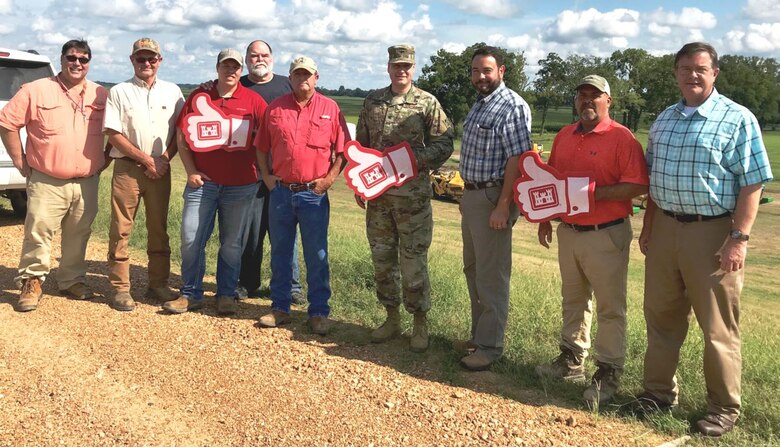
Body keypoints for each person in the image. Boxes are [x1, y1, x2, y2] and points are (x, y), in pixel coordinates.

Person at [635, 42, 773, 437]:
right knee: (661, 318)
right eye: (684, 68)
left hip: (712, 232)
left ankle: (723, 408)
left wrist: (738, 238)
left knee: (717, 327)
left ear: (714, 73)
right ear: (676, 73)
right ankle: (657, 394)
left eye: (700, 68)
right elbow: (655, 179)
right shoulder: (664, 119)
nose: (692, 75)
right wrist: (648, 227)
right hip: (665, 231)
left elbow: (752, 183)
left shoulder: (737, 119)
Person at [533, 75, 648, 407]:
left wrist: (592, 194)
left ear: (608, 101)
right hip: (569, 232)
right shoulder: (565, 136)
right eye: (581, 96)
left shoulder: (622, 138)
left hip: (606, 233)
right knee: (573, 300)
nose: (587, 101)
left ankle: (609, 371)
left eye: (594, 96)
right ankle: (571, 360)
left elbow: (637, 185)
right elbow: (551, 183)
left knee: (611, 307)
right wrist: (544, 221)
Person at [354, 44, 454, 352]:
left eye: (407, 65)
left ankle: (419, 323)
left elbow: (445, 144)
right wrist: (360, 184)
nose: (402, 70)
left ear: (414, 68)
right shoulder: (372, 101)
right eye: (397, 65)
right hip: (379, 199)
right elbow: (360, 146)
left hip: (412, 200)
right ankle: (391, 318)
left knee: (413, 263)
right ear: (388, 67)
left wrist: (414, 160)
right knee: (382, 261)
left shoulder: (427, 103)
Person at [0, 39, 108, 312]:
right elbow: (7, 122)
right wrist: (18, 159)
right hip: (47, 178)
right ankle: (32, 281)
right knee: (38, 231)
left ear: (89, 63)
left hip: (86, 181)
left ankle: (71, 279)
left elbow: (116, 128)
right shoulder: (36, 90)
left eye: (83, 59)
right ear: (61, 59)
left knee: (79, 232)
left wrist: (105, 157)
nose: (77, 63)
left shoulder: (100, 95)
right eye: (72, 58)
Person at [162, 48, 267, 316]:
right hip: (202, 184)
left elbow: (267, 139)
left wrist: (264, 172)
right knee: (190, 237)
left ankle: (226, 294)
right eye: (225, 66)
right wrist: (191, 171)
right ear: (217, 68)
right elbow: (182, 136)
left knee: (232, 243)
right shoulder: (200, 96)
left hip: (241, 185)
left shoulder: (253, 101)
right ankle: (190, 293)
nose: (230, 71)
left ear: (241, 70)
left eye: (235, 67)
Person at [255, 56, 348, 335]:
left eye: (307, 75)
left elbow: (342, 151)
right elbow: (261, 147)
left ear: (316, 78)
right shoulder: (275, 109)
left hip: (314, 195)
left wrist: (329, 180)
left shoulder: (330, 109)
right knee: (281, 253)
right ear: (290, 77)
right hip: (282, 192)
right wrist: (267, 177)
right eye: (297, 75)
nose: (302, 79)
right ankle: (280, 308)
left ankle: (319, 312)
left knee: (317, 254)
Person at [456, 46, 532, 370]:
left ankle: (490, 348)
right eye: (475, 71)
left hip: (492, 197)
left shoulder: (511, 105)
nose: (480, 77)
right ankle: (479, 337)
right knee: (474, 270)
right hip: (472, 196)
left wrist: (503, 205)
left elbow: (517, 158)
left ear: (501, 71)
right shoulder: (480, 104)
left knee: (492, 276)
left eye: (487, 71)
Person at [103, 38, 184, 312]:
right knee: (121, 227)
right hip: (128, 168)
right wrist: (147, 160)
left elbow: (180, 133)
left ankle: (158, 283)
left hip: (161, 169)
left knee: (159, 228)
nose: (146, 63)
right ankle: (120, 288)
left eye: (151, 58)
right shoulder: (119, 91)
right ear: (132, 60)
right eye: (141, 58)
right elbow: (113, 134)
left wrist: (162, 160)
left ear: (160, 60)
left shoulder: (174, 92)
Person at [236, 40, 305, 305]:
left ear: (272, 59)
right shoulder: (237, 85)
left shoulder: (287, 86)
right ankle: (246, 283)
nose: (259, 59)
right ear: (246, 59)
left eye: (264, 54)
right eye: (254, 55)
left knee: (286, 234)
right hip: (248, 174)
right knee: (250, 234)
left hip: (284, 176)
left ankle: (291, 286)